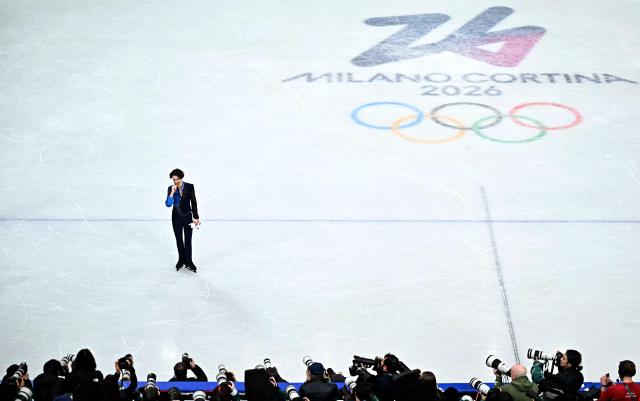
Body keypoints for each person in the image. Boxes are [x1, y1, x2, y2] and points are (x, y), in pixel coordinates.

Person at [165, 168, 200, 272]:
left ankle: (189, 261)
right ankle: (181, 260)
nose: (175, 181)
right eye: (173, 179)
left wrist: (196, 216)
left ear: (181, 178)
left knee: (188, 240)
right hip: (176, 218)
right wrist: (172, 192)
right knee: (179, 239)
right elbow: (168, 204)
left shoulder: (189, 187)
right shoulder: (170, 188)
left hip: (188, 217)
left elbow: (193, 202)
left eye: (177, 179)